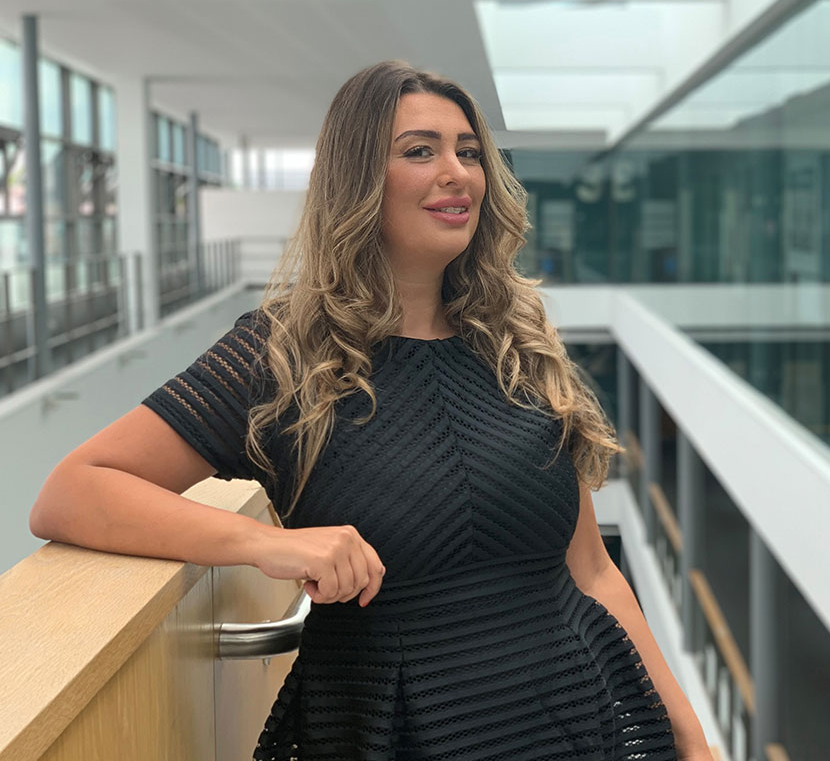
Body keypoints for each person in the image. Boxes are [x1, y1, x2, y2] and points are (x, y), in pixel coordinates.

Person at [28, 60, 713, 761]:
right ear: (357, 179)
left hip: (579, 718)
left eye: (469, 152)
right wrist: (268, 545)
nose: (458, 173)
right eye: (421, 151)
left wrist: (693, 739)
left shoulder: (517, 343)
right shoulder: (282, 353)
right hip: (400, 732)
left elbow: (592, 571)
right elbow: (72, 491)